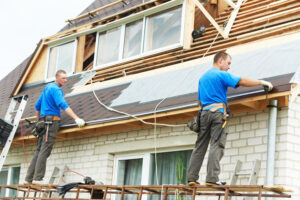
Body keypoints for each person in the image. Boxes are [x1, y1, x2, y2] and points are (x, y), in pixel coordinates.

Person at [186, 52, 273, 186]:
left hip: (203, 114)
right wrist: (261, 82)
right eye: (228, 63)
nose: (229, 67)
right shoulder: (221, 74)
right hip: (217, 114)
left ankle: (191, 179)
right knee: (217, 144)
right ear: (220, 61)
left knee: (200, 146)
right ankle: (212, 179)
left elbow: (199, 100)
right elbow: (241, 81)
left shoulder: (202, 78)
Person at [25, 70, 85, 184]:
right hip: (51, 123)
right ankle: (38, 178)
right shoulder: (56, 89)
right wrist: (76, 118)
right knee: (45, 150)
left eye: (66, 78)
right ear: (56, 78)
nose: (65, 80)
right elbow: (62, 104)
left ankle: (28, 179)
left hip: (43, 122)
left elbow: (37, 106)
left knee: (38, 150)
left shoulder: (47, 88)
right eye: (63, 78)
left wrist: (38, 122)